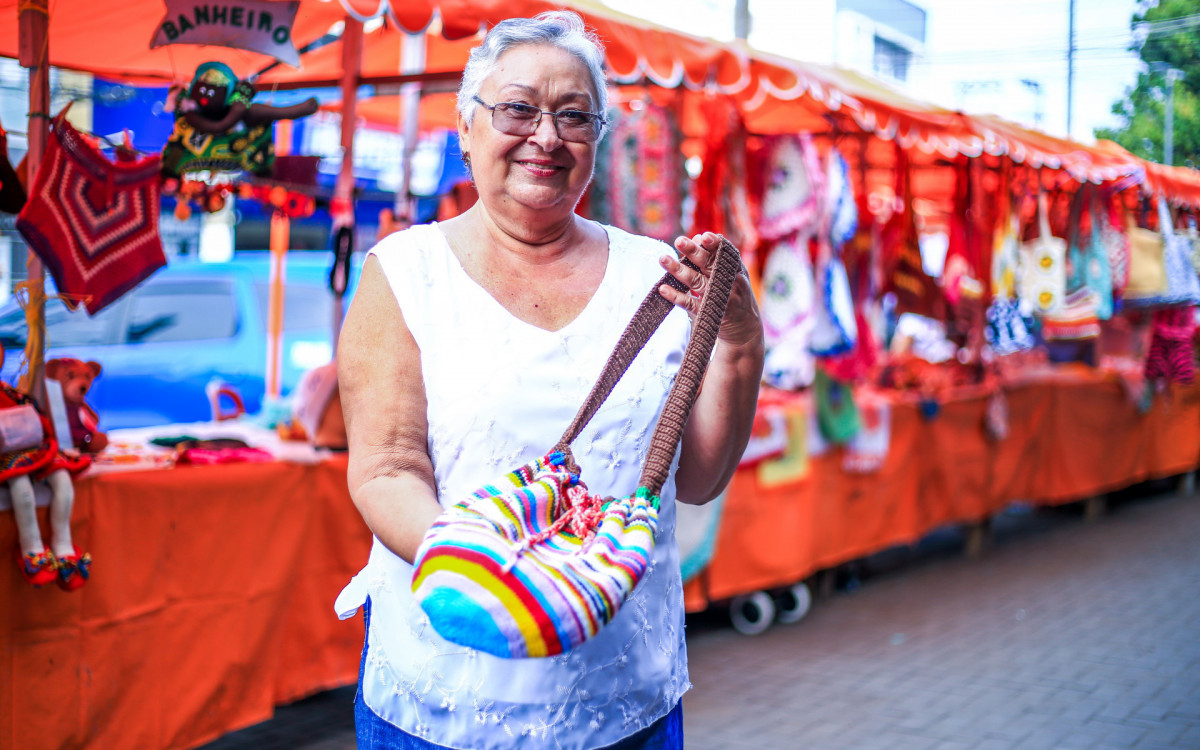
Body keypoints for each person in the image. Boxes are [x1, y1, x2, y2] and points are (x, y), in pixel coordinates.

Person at [336, 11, 763, 749]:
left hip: (624, 697)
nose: (546, 136)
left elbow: (695, 479)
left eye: (574, 116)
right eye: (518, 109)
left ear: (596, 139)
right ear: (466, 128)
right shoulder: (405, 274)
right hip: (446, 702)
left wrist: (738, 343)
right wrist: (489, 576)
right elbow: (386, 468)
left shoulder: (657, 274)